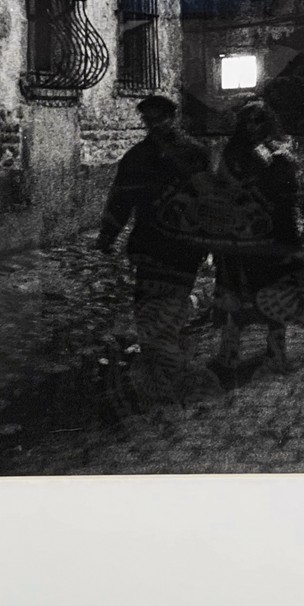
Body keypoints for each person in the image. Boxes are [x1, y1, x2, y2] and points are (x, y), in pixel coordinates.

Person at [97, 95, 211, 405]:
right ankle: (160, 376)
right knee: (147, 310)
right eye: (149, 120)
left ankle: (169, 376)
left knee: (172, 309)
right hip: (150, 245)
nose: (156, 125)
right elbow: (121, 199)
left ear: (174, 117)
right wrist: (108, 233)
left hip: (185, 246)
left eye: (161, 118)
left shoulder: (195, 154)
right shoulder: (136, 157)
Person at [211, 100, 304, 373]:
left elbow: (290, 189)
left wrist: (281, 162)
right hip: (242, 233)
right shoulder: (233, 152)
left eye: (259, 121)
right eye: (248, 121)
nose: (253, 127)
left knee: (278, 291)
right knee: (236, 292)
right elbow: (222, 188)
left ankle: (277, 353)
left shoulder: (279, 150)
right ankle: (229, 353)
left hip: (276, 232)